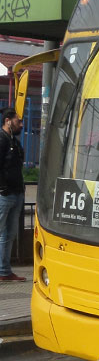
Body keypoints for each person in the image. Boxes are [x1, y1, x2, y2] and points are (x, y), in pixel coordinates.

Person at [0, 107, 26, 282]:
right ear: (8, 120)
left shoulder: (14, 141)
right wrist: (2, 188)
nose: (21, 124)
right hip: (4, 194)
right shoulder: (1, 140)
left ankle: (4, 271)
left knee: (9, 235)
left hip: (16, 194)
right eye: (18, 121)